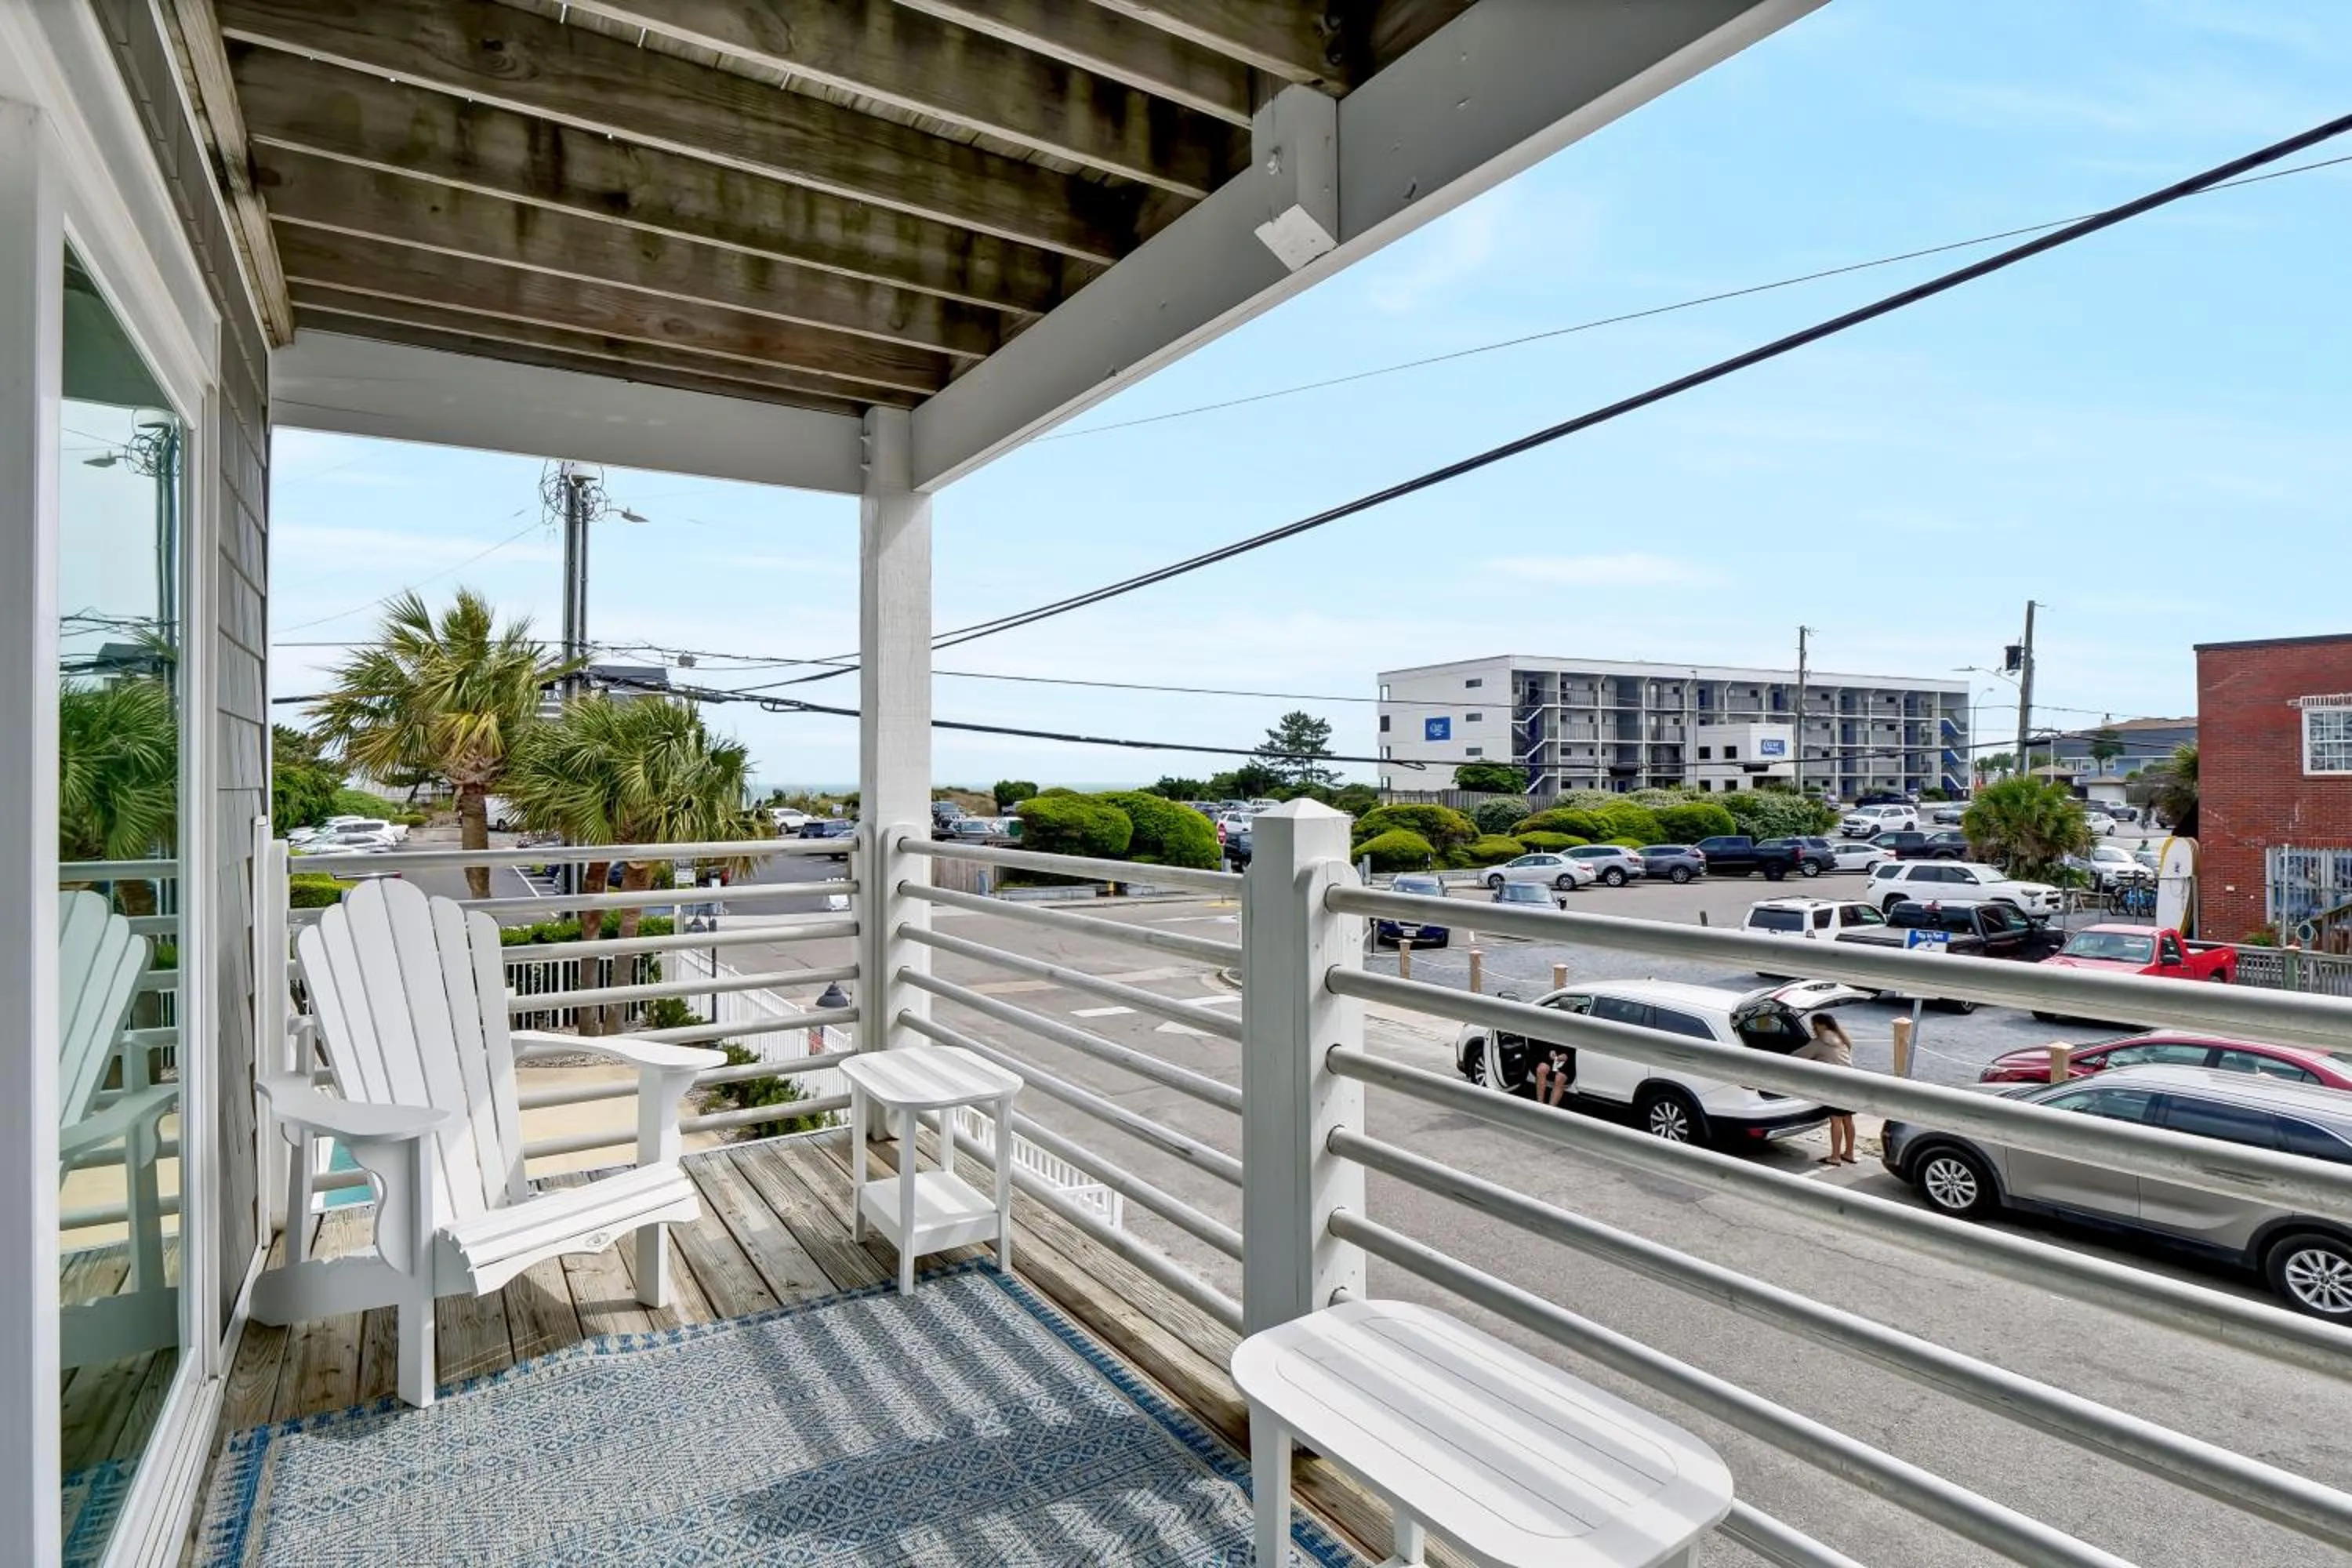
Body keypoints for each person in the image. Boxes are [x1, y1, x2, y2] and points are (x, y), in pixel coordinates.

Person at [1795, 1012, 1858, 1164]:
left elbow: (1797, 1057)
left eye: (1815, 1025)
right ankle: (1849, 1154)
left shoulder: (1819, 1043)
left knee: (1836, 1121)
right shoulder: (1843, 1039)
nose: (1813, 1028)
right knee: (1848, 1119)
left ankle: (1835, 1157)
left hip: (1835, 1086)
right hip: (1851, 1083)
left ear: (1822, 1025)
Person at [1531, 1042, 1573, 1108]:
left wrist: (1567, 1055)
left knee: (1560, 1078)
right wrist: (1550, 1051)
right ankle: (1540, 1105)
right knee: (1541, 1069)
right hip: (1553, 1056)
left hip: (1569, 1061)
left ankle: (1550, 1109)